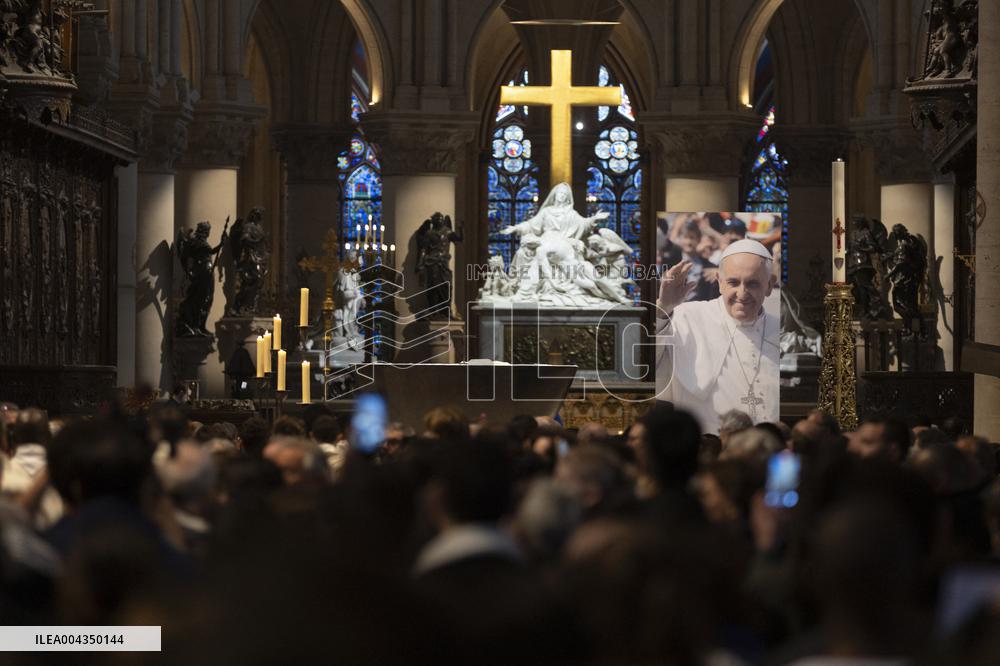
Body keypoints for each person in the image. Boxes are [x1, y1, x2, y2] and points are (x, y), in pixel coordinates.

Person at [655, 238, 780, 434]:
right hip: (707, 445)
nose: (742, 293)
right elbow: (647, 364)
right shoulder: (687, 317)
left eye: (753, 284)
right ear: (719, 282)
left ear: (770, 285)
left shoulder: (779, 329)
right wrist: (663, 309)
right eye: (733, 282)